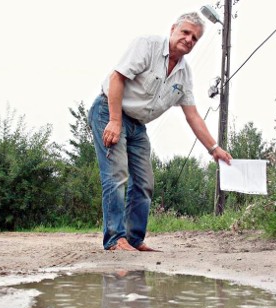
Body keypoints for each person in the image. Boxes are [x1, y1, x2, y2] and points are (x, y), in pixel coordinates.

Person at [88, 11, 232, 252]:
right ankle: (114, 239)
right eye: (185, 32)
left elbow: (192, 114)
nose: (189, 39)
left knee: (144, 182)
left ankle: (134, 239)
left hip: (137, 125)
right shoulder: (148, 46)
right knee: (116, 175)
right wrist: (114, 121)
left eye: (195, 38)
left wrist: (214, 148)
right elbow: (117, 78)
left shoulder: (184, 74)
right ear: (173, 29)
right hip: (109, 110)